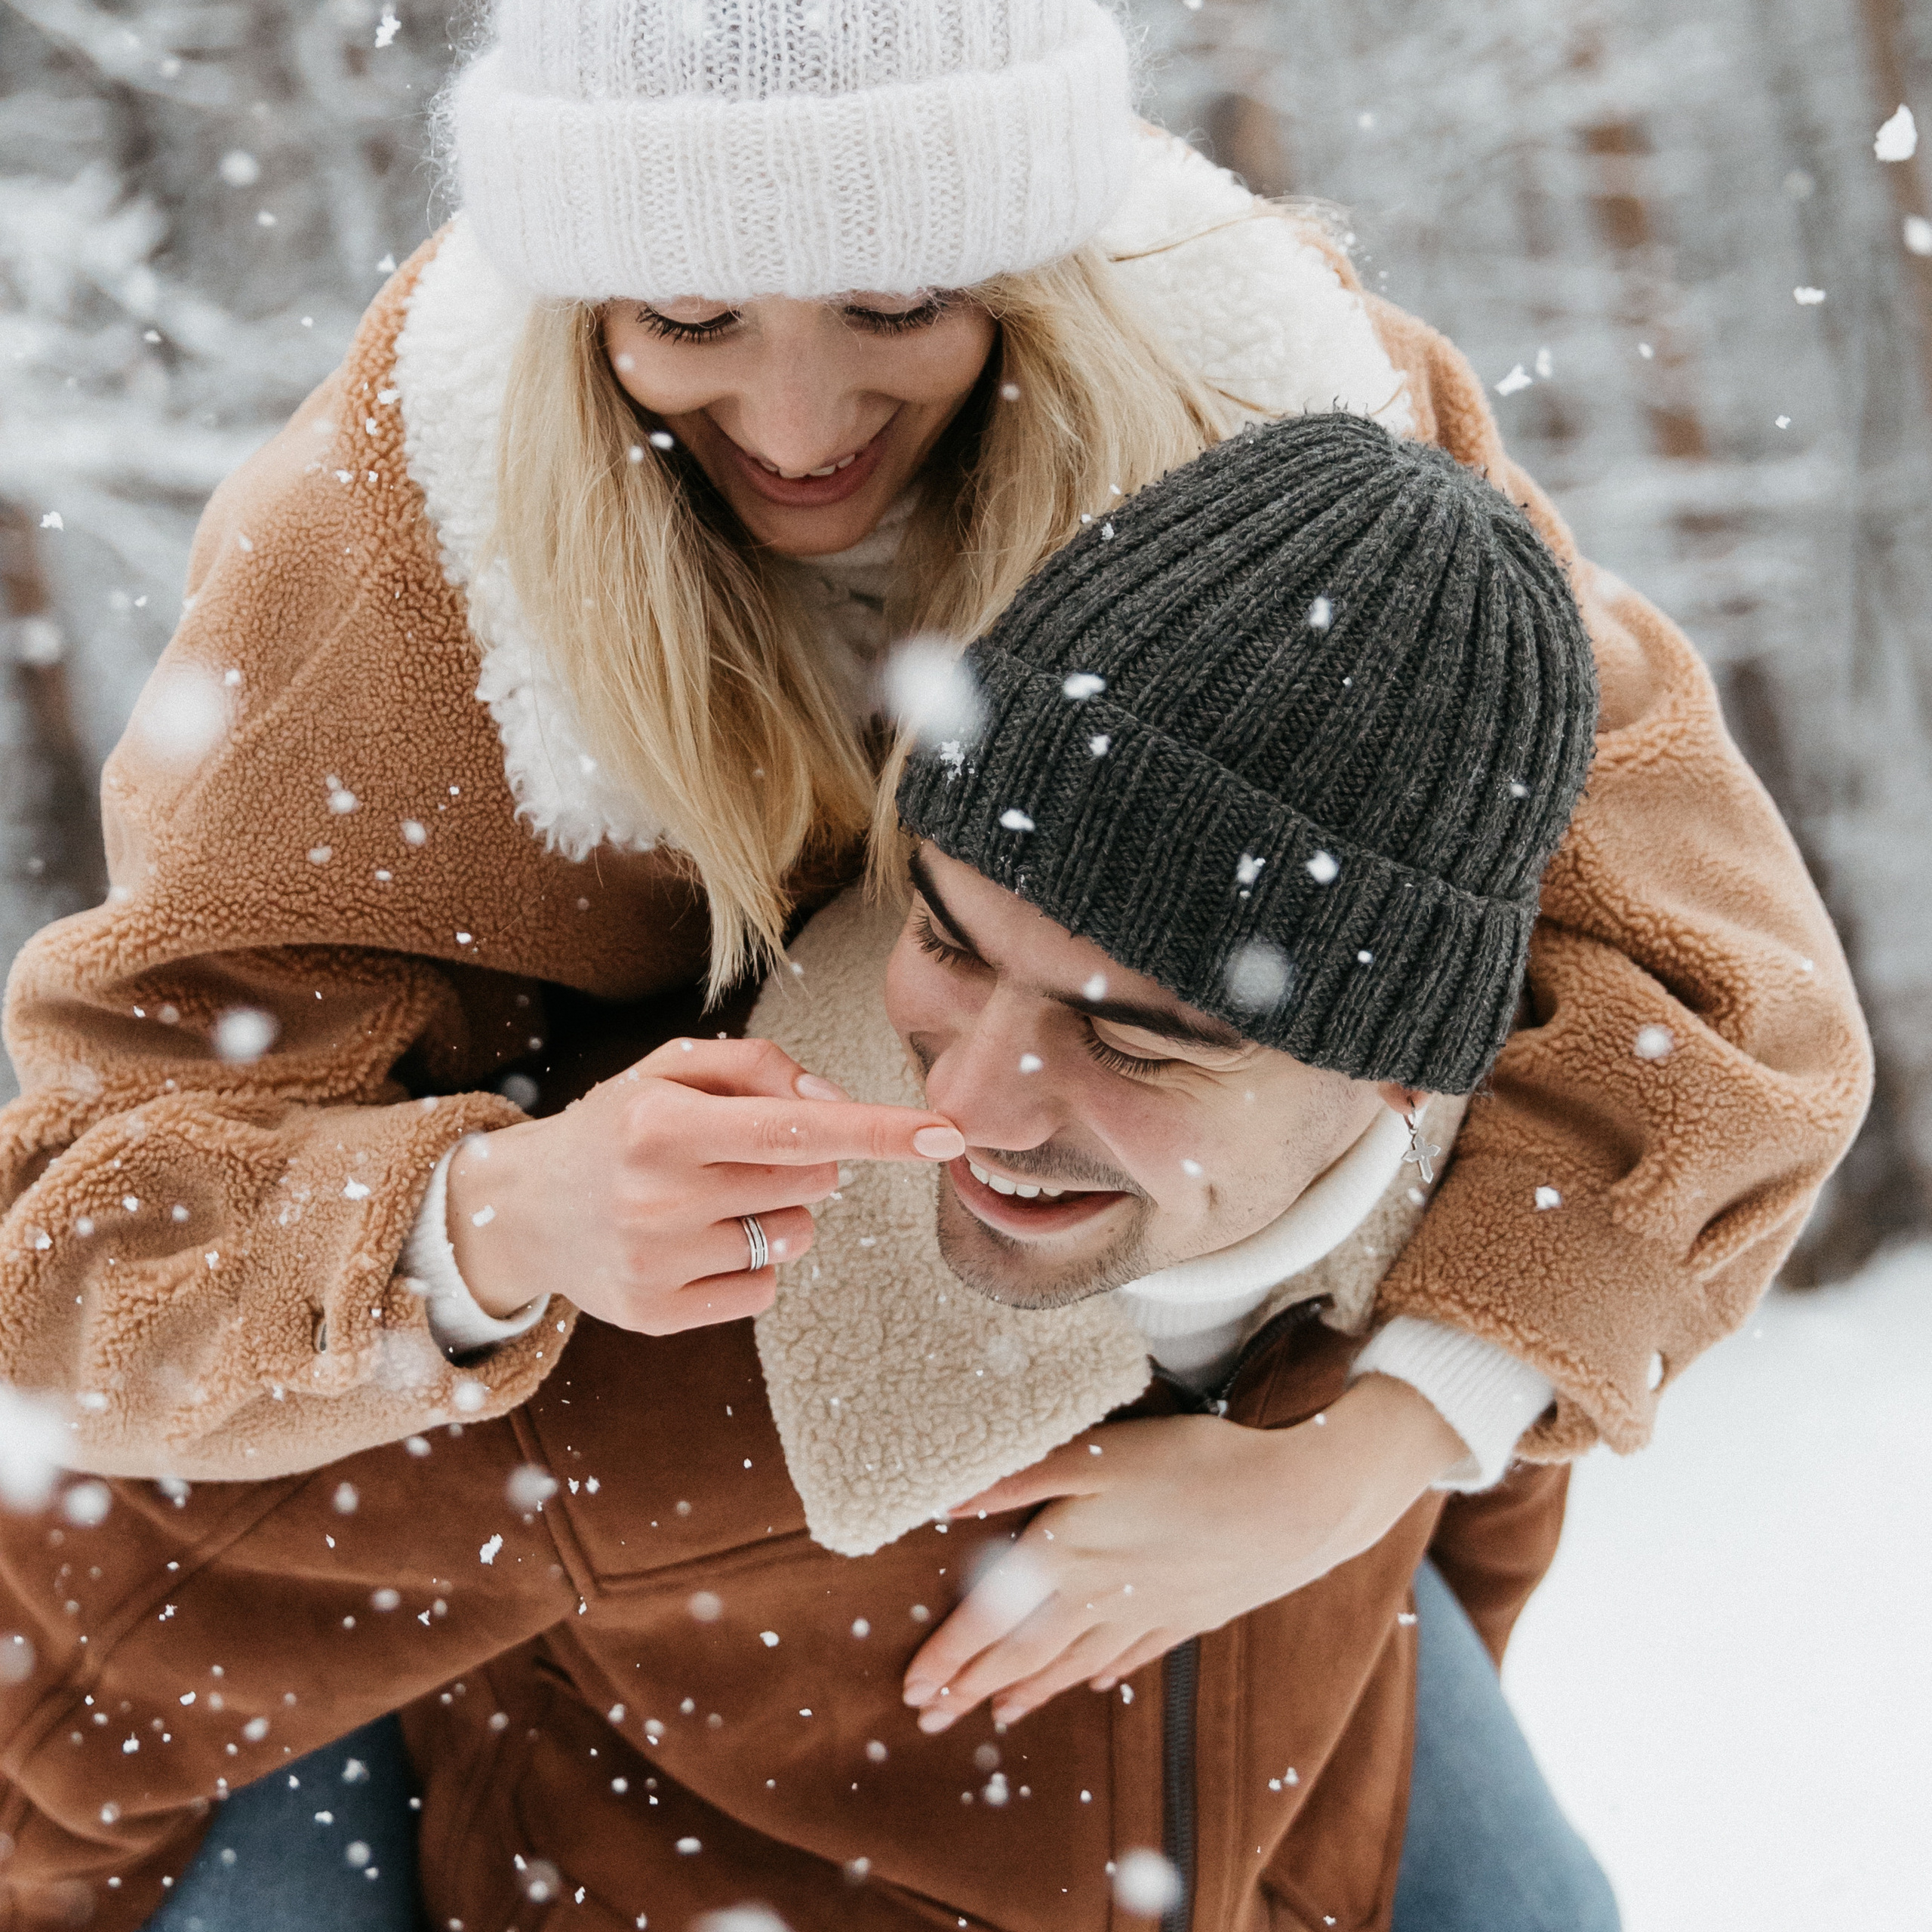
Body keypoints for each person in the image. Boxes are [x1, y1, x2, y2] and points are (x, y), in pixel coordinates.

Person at [0, 0, 1864, 1516]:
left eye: (893, 302)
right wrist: (492, 1215)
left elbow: (1718, 1002)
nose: (797, 423)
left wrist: (1368, 1447)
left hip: (1190, 1477)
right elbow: (67, 1256)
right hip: (496, 1525)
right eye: (686, 318)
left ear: (1036, 268)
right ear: (582, 306)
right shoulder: (385, 555)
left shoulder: (1289, 437)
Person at [0, 411, 1638, 1932]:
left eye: (1137, 1038)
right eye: (946, 934)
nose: (980, 1096)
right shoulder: (680, 1291)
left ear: (1401, 1078)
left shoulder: (1460, 1251)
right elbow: (80, 1639)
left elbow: (1464, 1569)